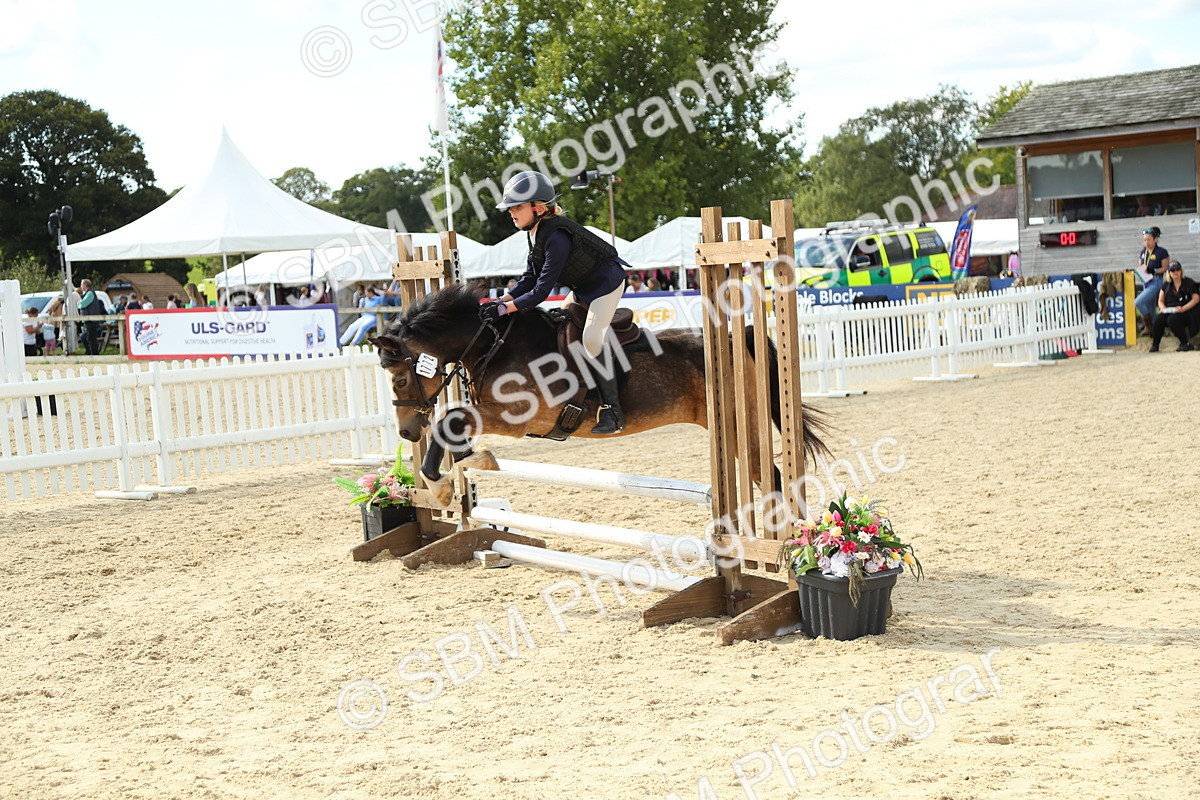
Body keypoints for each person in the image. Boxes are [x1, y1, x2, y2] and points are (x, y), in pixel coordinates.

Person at [484, 170, 629, 434]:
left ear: (538, 208)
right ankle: (577, 390)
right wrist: (501, 300)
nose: (511, 213)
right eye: (510, 207)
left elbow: (540, 291)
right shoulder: (535, 233)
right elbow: (529, 278)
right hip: (583, 288)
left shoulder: (557, 238)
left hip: (606, 286)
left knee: (592, 339)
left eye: (516, 207)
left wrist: (506, 309)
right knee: (561, 330)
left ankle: (614, 412)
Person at [1149, 259, 1199, 352]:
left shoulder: (1189, 282)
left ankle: (1185, 343)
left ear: (1181, 271)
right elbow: (1160, 300)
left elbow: (1196, 299)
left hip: (1187, 311)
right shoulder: (1166, 285)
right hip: (1170, 310)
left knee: (1172, 319)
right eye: (1172, 270)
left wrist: (1183, 308)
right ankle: (1155, 345)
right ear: (1169, 273)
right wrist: (1162, 307)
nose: (1175, 272)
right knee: (1158, 319)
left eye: (1177, 269)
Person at [1134, 226, 1170, 336]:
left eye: (1149, 239)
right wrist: (1139, 271)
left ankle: (1149, 326)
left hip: (1156, 281)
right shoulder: (1143, 252)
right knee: (1150, 309)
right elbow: (1140, 266)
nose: (1147, 242)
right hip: (1146, 281)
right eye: (1144, 240)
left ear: (1155, 239)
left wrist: (1153, 270)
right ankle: (1157, 329)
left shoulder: (1161, 252)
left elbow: (1165, 267)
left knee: (1138, 302)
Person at [77, 279, 105, 356]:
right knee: (89, 337)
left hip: (91, 319)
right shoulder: (88, 293)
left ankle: (94, 354)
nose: (80, 286)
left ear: (85, 285)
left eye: (81, 284)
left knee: (91, 338)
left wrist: (78, 303)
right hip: (88, 320)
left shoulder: (90, 293)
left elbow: (83, 304)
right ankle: (92, 352)